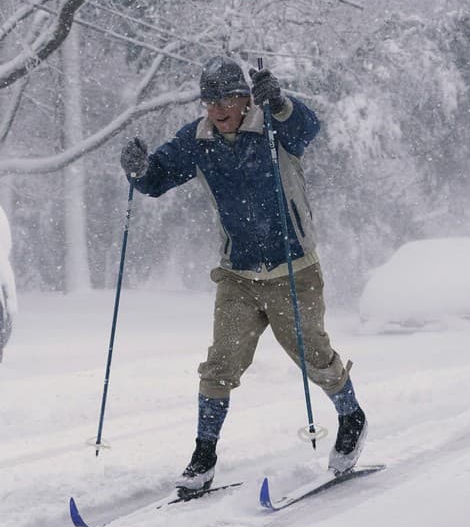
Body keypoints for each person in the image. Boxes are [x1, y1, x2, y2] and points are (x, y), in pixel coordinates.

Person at [119, 55, 367, 492]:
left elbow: (308, 129)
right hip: (237, 274)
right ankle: (203, 455)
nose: (216, 110)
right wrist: (139, 170)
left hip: (294, 269)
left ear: (244, 98)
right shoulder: (197, 140)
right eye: (208, 101)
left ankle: (352, 417)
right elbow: (157, 179)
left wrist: (282, 103)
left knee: (312, 354)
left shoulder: (274, 125)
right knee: (219, 364)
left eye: (225, 100)